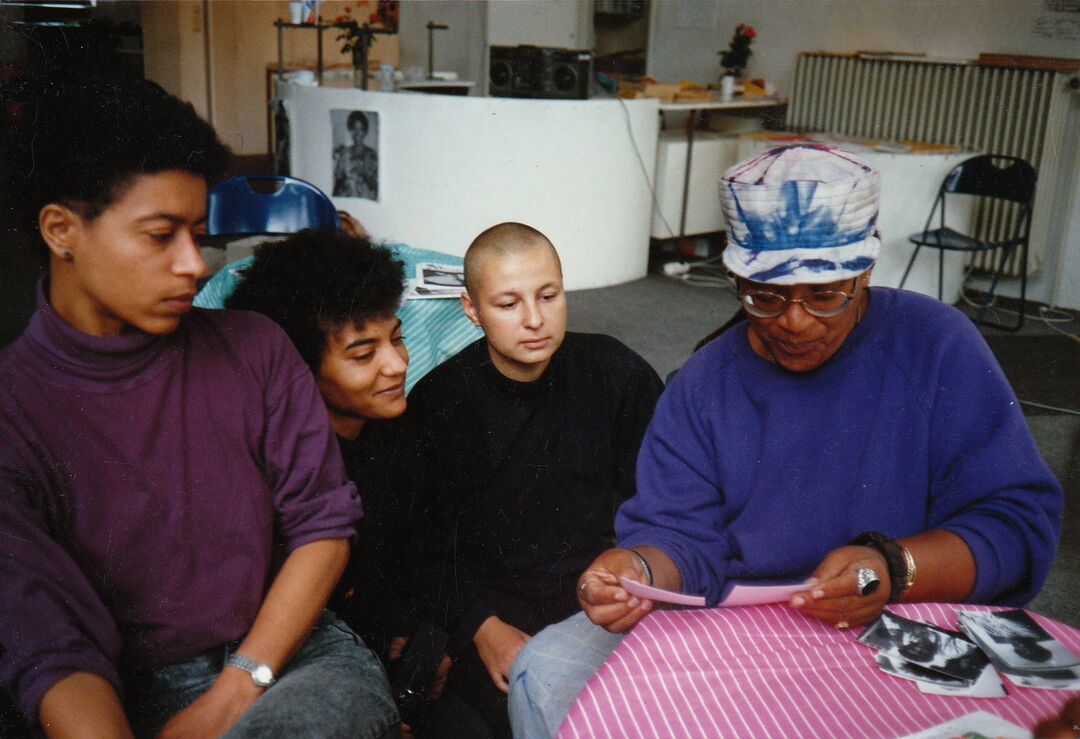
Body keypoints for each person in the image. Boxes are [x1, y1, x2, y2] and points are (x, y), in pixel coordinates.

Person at [508, 143, 1063, 737]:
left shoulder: (937, 346)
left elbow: (1016, 524)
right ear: (735, 278)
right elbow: (681, 542)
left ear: (866, 271)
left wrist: (890, 567)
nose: (795, 322)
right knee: (544, 670)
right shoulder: (702, 385)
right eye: (765, 295)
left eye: (825, 294)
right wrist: (635, 568)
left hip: (905, 614)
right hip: (738, 633)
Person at [0, 73, 399, 737]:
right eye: (161, 235)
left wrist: (236, 691)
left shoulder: (255, 348)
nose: (196, 264)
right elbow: (47, 638)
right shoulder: (15, 410)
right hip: (113, 689)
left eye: (197, 232)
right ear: (61, 229)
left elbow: (323, 526)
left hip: (291, 656)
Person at [406, 222, 664, 738]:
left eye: (549, 295)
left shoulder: (615, 371)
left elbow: (661, 498)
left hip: (605, 587)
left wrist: (638, 575)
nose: (534, 320)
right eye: (507, 304)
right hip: (496, 609)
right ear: (471, 309)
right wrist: (482, 629)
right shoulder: (441, 403)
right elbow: (421, 544)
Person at [333, 110, 378, 199]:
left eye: (361, 129)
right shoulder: (344, 153)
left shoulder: (372, 154)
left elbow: (376, 185)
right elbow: (338, 181)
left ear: (365, 131)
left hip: (366, 199)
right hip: (347, 199)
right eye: (355, 129)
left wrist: (366, 177)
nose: (358, 133)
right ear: (350, 130)